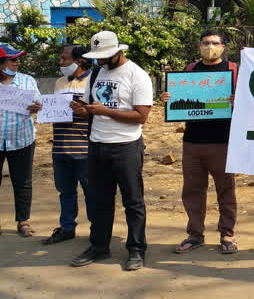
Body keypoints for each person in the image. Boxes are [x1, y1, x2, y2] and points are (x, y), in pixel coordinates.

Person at [70, 31, 153, 271]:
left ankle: (136, 250)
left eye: (105, 57)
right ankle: (99, 247)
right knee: (100, 201)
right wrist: (81, 110)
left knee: (133, 201)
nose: (100, 61)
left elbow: (142, 116)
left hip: (126, 147)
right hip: (97, 145)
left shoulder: (137, 75)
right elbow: (89, 108)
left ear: (119, 51)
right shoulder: (96, 73)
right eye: (98, 57)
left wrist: (105, 111)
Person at [161, 29, 238, 255]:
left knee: (226, 190)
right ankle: (195, 234)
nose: (209, 46)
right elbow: (179, 102)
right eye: (205, 42)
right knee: (193, 190)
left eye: (214, 42)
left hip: (223, 141)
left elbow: (249, 103)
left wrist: (238, 100)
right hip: (193, 141)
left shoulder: (233, 71)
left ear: (223, 47)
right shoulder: (190, 71)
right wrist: (169, 99)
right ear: (199, 47)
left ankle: (227, 234)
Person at [43, 45, 94, 245]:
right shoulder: (59, 82)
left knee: (91, 192)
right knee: (65, 191)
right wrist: (43, 108)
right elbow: (53, 110)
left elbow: (102, 111)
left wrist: (85, 112)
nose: (61, 63)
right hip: (61, 146)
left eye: (65, 59)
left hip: (85, 148)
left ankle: (97, 229)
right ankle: (66, 227)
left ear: (78, 61)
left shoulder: (93, 80)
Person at [0, 43, 41, 237]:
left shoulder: (27, 81)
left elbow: (39, 103)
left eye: (18, 59)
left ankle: (23, 221)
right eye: (13, 59)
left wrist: (36, 107)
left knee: (23, 181)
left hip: (21, 138)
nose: (17, 62)